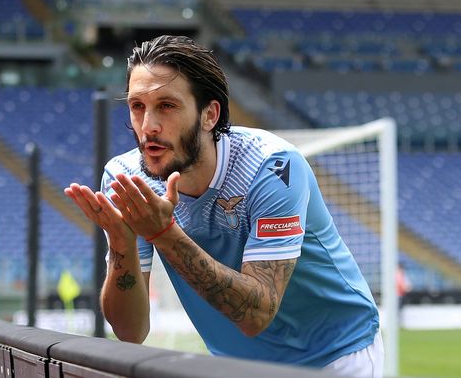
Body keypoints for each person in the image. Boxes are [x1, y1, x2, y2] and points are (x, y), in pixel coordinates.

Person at [64, 35, 383, 377]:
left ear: (209, 115)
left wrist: (163, 233)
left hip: (333, 358)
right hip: (236, 365)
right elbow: (130, 333)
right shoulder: (125, 178)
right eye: (137, 106)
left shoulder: (274, 168)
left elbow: (256, 314)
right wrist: (121, 244)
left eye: (167, 106)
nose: (148, 126)